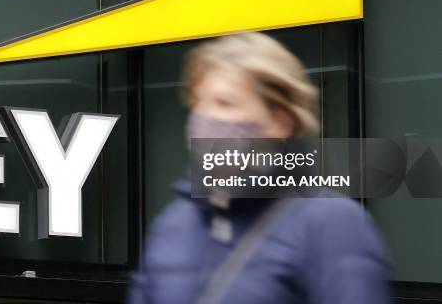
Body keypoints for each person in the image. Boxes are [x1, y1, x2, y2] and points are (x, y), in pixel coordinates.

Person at [128, 33, 390, 304]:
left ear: (280, 122)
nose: (204, 118)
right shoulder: (173, 223)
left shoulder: (331, 225)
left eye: (225, 103)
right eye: (198, 103)